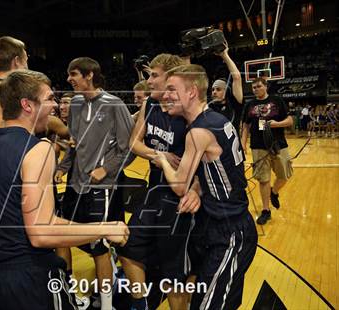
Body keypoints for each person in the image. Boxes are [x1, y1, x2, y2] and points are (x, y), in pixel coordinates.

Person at [0, 69, 129, 310]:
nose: (55, 105)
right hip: (28, 278)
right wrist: (105, 229)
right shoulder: (37, 149)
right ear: (27, 105)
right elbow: (41, 233)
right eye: (48, 99)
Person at [153, 64, 257, 309]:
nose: (165, 95)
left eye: (171, 89)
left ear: (191, 92)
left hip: (231, 232)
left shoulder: (198, 131)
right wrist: (198, 188)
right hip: (223, 223)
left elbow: (179, 184)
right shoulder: (217, 119)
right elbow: (219, 167)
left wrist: (161, 159)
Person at [118, 54, 199, 310]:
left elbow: (205, 162)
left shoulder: (188, 114)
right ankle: (140, 303)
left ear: (171, 79)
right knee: (127, 248)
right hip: (154, 193)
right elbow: (134, 143)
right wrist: (159, 155)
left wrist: (197, 189)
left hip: (179, 200)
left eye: (154, 75)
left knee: (174, 274)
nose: (148, 80)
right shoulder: (150, 106)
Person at [54, 57, 134, 310]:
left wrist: (105, 168)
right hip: (74, 185)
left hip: (101, 187)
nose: (69, 79)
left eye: (74, 74)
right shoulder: (76, 103)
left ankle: (107, 304)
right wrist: (63, 167)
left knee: (99, 246)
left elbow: (128, 149)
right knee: (63, 238)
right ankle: (67, 293)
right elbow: (75, 143)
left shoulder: (114, 104)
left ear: (89, 75)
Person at [241, 77, 293, 225]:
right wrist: (243, 143)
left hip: (278, 145)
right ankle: (265, 210)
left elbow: (289, 121)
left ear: (266, 86)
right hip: (258, 146)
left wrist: (277, 124)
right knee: (263, 179)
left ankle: (274, 192)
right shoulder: (250, 105)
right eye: (253, 87)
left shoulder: (277, 100)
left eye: (258, 86)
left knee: (284, 175)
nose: (256, 89)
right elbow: (245, 125)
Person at [209, 43, 244, 133]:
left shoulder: (234, 104)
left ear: (226, 91)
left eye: (218, 89)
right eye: (213, 89)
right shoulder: (209, 107)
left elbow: (237, 77)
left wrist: (224, 55)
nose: (214, 92)